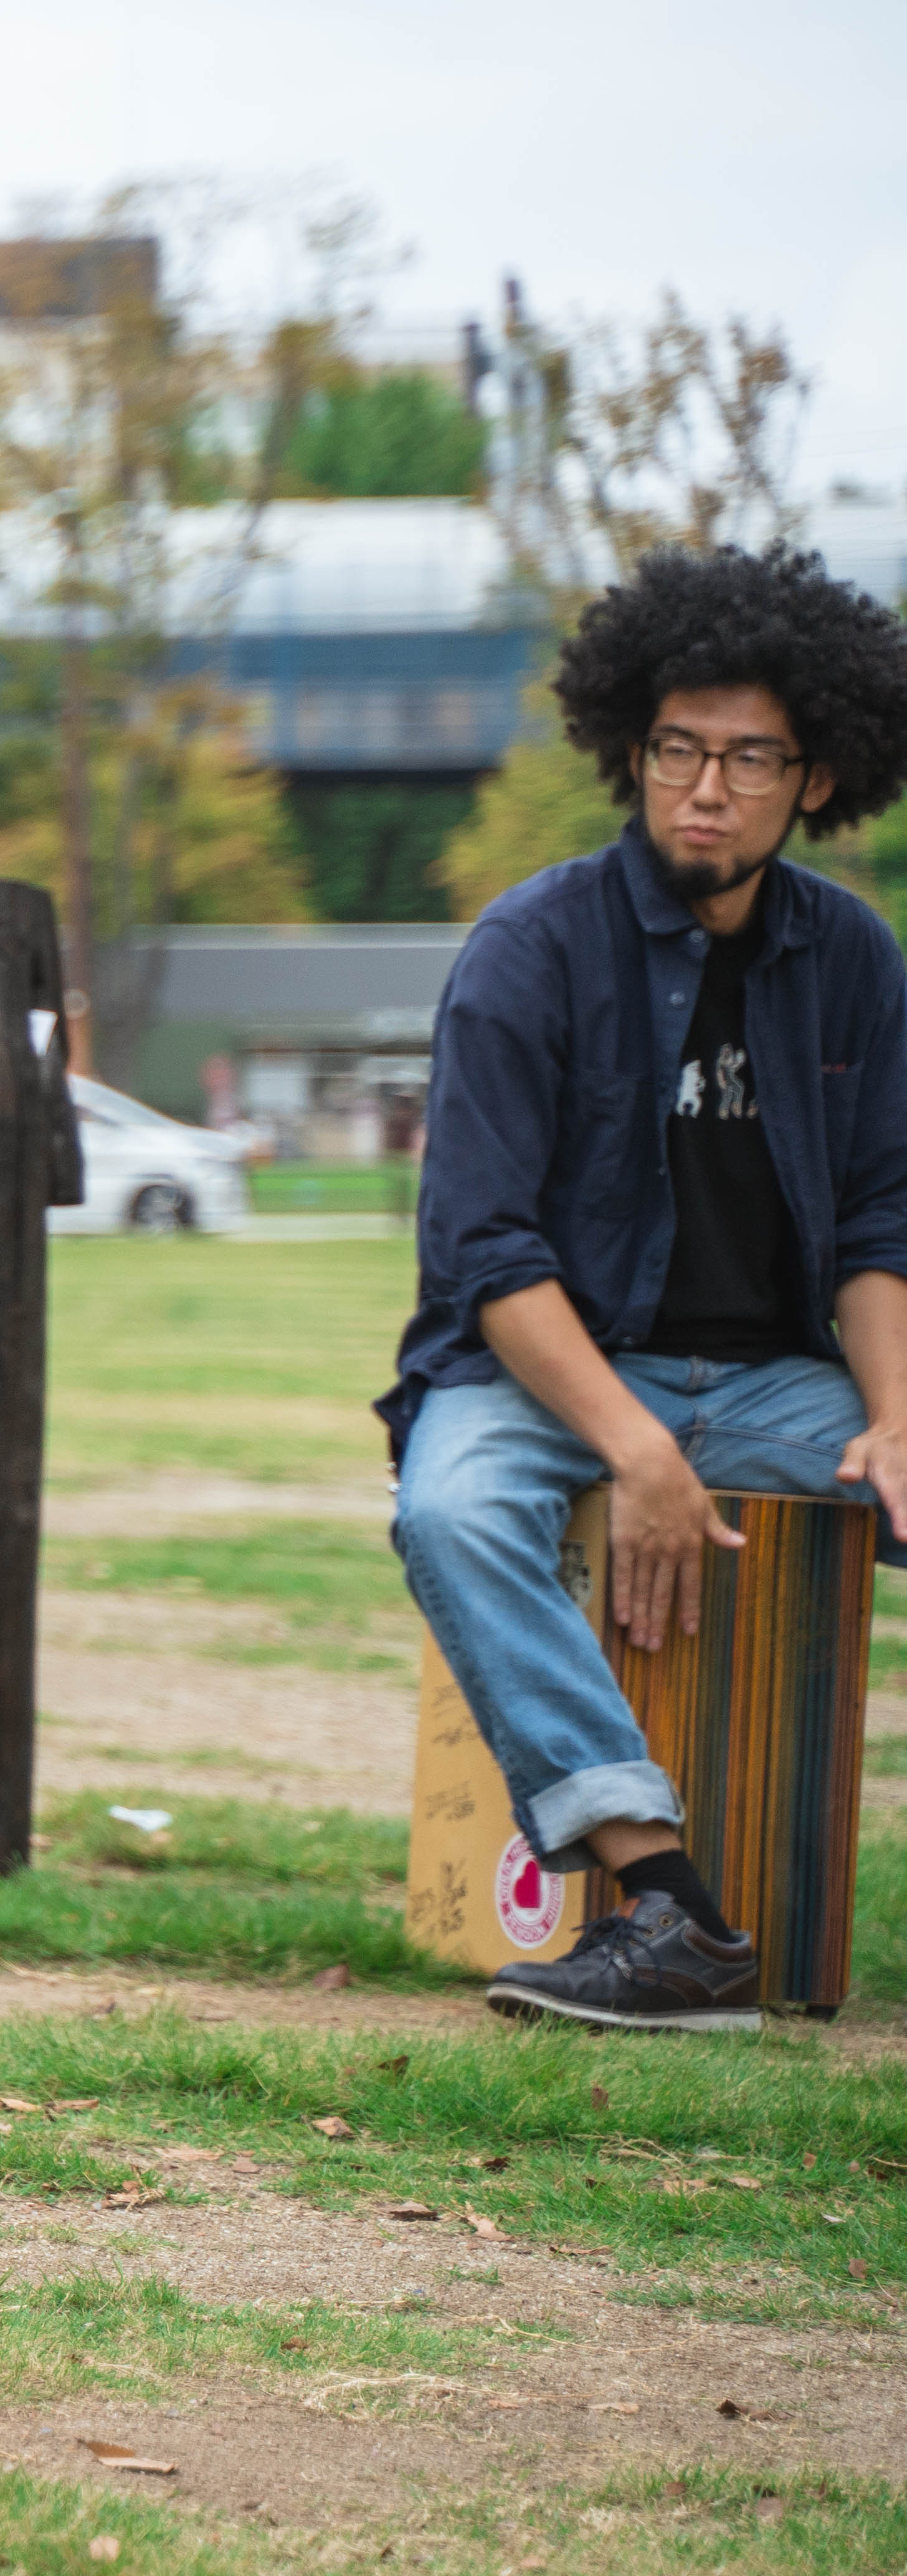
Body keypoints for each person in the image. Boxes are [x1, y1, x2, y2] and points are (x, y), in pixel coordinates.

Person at [389, 542, 907, 2035]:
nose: (707, 784)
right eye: (679, 746)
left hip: (768, 1385)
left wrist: (891, 1416)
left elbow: (881, 1224)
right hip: (542, 1376)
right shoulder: (529, 951)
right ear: (630, 746)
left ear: (815, 779)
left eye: (753, 757)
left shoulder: (855, 960)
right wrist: (636, 1449)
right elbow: (488, 1258)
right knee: (451, 1507)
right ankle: (669, 1907)